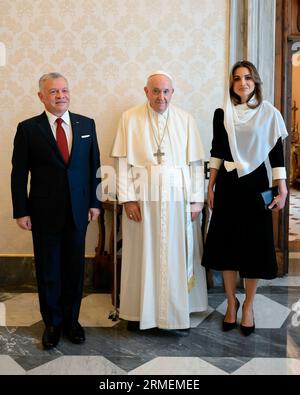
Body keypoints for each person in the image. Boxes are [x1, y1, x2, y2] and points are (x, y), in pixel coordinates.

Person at [111, 71, 208, 334]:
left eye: (166, 91)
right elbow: (122, 162)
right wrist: (128, 198)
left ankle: (177, 313)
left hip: (178, 200)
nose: (161, 97)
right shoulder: (129, 118)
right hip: (143, 201)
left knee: (177, 253)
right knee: (141, 254)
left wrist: (197, 201)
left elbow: (195, 163)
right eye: (155, 91)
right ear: (146, 91)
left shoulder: (185, 120)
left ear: (172, 93)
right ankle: (137, 311)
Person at [11, 72, 101, 349]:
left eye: (64, 90)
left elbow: (94, 167)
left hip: (78, 211)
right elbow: (19, 174)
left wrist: (95, 203)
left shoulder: (86, 124)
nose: (61, 96)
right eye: (53, 92)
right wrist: (21, 211)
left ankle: (72, 321)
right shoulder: (28, 128)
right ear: (41, 96)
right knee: (49, 269)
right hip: (43, 212)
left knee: (74, 269)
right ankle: (52, 322)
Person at [202, 61, 288, 336]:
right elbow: (217, 150)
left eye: (248, 78)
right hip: (227, 185)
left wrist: (282, 187)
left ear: (255, 82)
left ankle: (248, 306)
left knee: (254, 246)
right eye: (237, 78)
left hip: (255, 185)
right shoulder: (222, 113)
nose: (243, 83)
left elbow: (276, 154)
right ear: (232, 84)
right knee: (227, 247)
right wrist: (210, 186)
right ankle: (231, 303)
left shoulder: (269, 114)